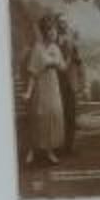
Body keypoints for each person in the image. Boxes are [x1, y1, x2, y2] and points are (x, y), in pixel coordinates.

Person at [21, 16, 69, 168]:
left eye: (54, 30)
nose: (53, 33)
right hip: (41, 87)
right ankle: (32, 150)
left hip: (53, 86)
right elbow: (33, 73)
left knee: (53, 115)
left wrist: (60, 61)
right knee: (39, 117)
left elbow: (63, 68)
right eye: (50, 30)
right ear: (44, 32)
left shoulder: (55, 48)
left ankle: (49, 151)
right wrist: (28, 92)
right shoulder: (38, 48)